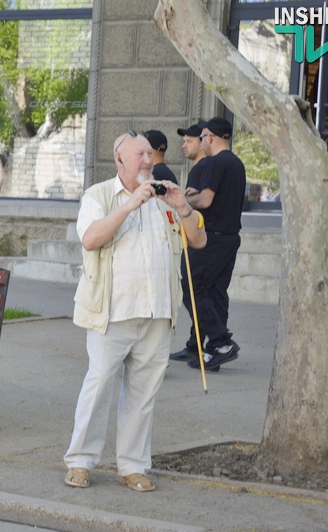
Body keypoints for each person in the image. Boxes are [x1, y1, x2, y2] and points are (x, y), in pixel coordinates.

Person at [63, 131, 206, 492]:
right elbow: (91, 239)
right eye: (140, 155)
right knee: (98, 388)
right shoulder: (98, 196)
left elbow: (199, 240)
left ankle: (132, 466)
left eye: (149, 155)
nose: (148, 160)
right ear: (120, 160)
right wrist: (129, 205)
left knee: (143, 395)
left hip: (157, 313)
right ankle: (80, 462)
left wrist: (182, 206)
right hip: (111, 313)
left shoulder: (165, 196)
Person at [177, 117, 246, 371]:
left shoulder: (217, 161)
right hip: (229, 236)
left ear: (212, 137)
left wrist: (182, 202)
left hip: (213, 237)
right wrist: (195, 197)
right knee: (216, 292)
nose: (202, 140)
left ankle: (221, 342)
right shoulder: (236, 163)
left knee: (192, 287)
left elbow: (205, 201)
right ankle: (215, 351)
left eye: (203, 135)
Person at [170, 120, 212, 363]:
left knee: (191, 293)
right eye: (183, 141)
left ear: (203, 142)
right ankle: (196, 344)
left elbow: (193, 205)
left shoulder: (201, 169)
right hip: (205, 240)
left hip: (198, 241)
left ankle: (214, 339)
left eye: (189, 141)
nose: (184, 145)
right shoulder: (206, 167)